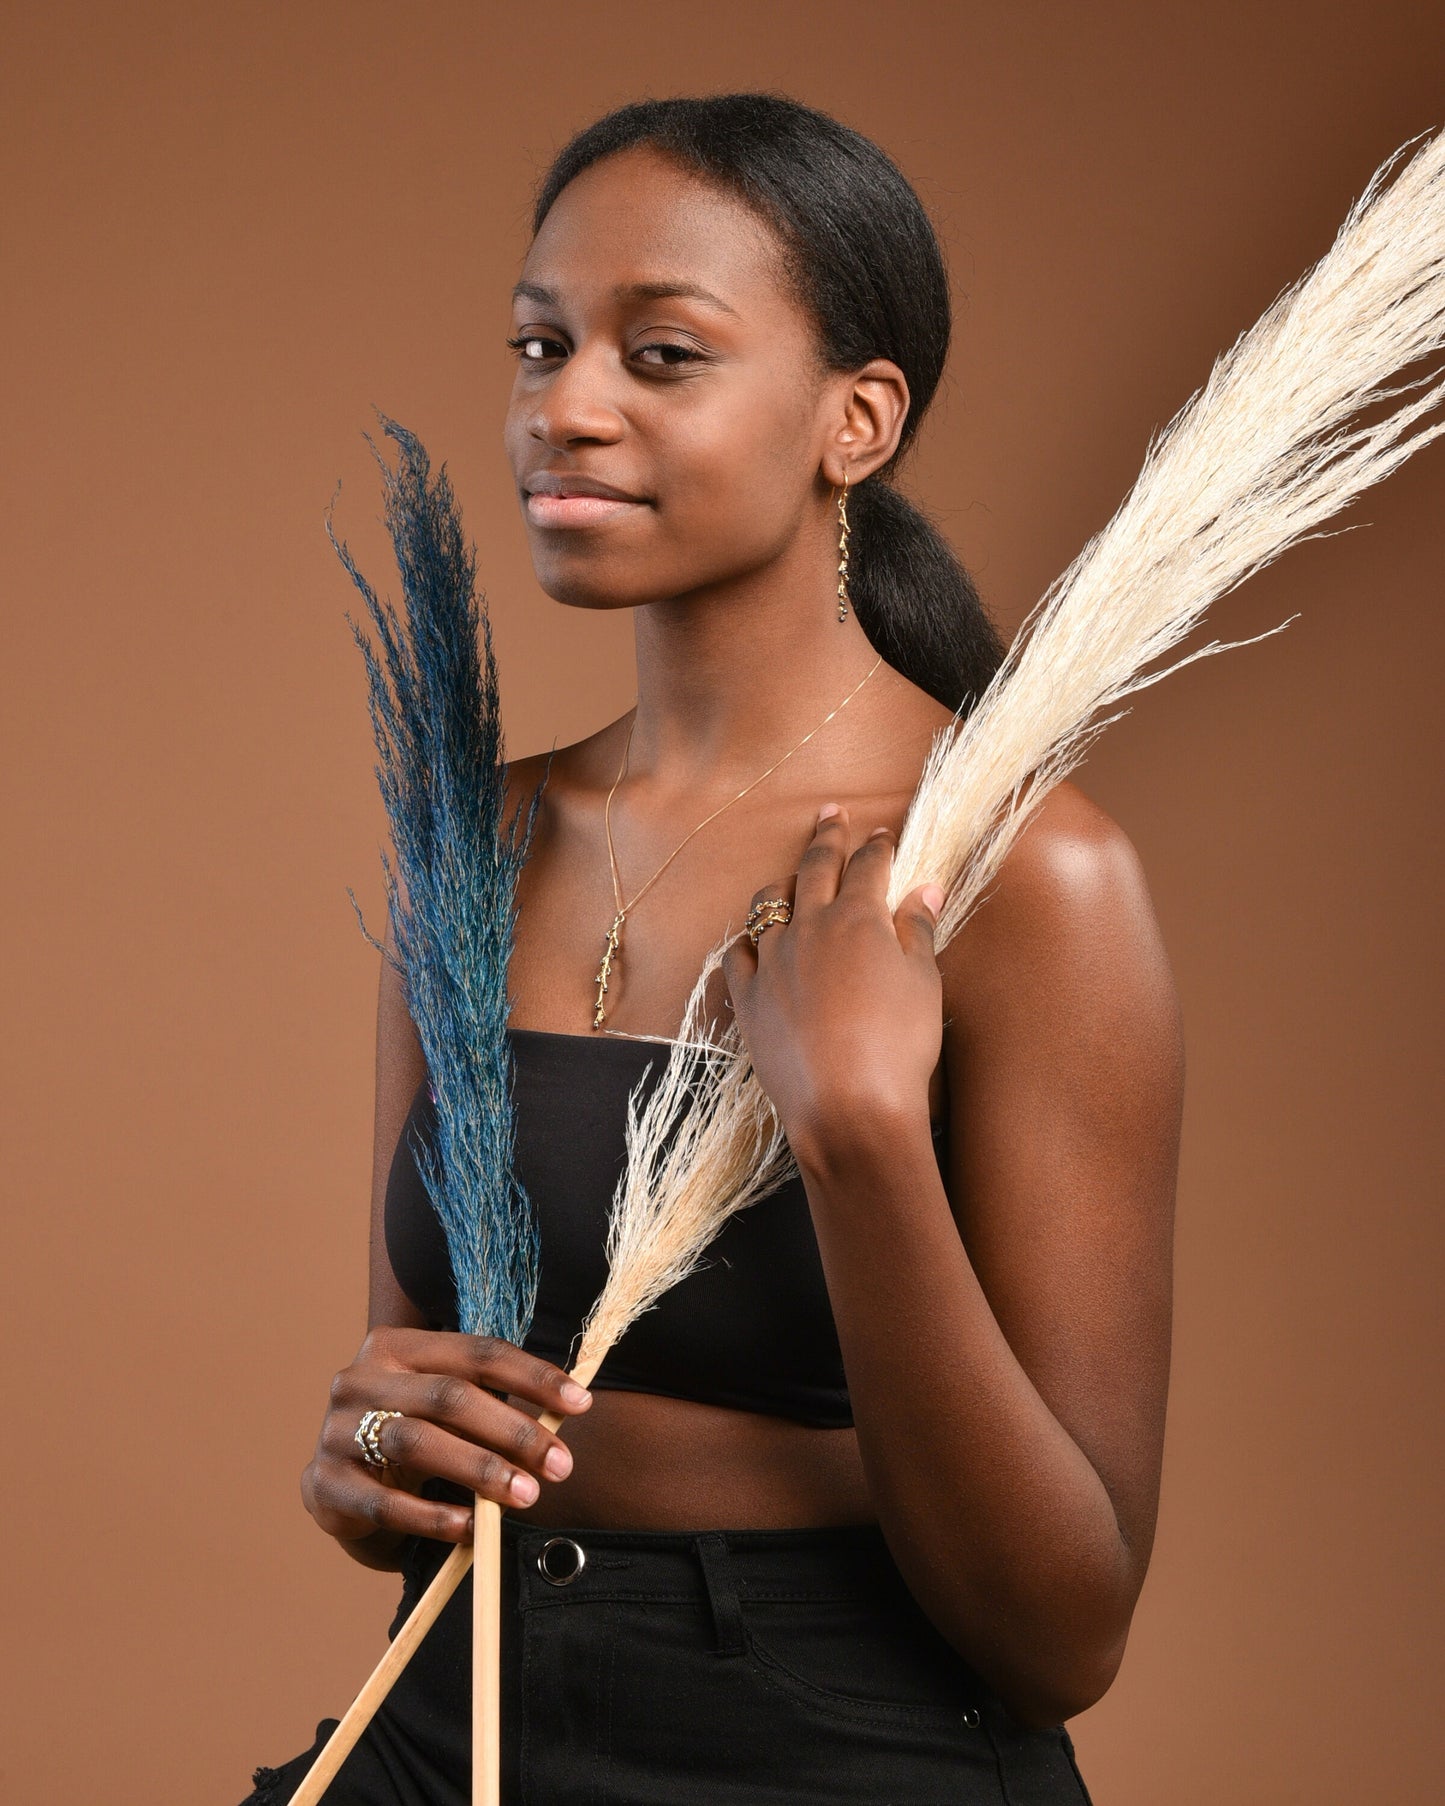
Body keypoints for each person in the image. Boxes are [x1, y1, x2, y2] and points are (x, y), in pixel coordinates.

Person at [242, 92, 1181, 1805]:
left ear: (856, 420)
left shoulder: (1027, 876)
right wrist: (366, 1450)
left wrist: (859, 1137)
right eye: (539, 345)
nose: (563, 407)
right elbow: (407, 1414)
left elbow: (1063, 1636)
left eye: (660, 355)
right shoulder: (479, 838)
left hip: (842, 1745)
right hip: (460, 1722)